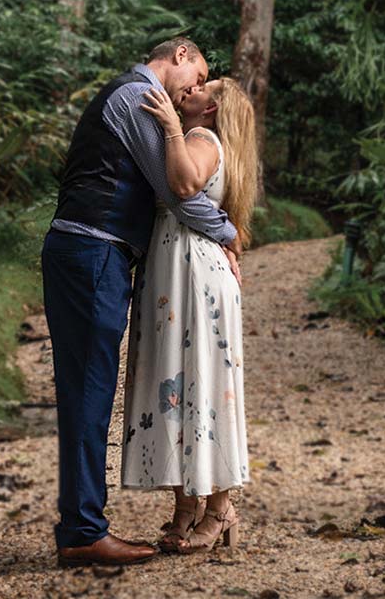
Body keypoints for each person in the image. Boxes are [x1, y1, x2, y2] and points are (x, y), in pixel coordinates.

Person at [41, 37, 242, 568]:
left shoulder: (144, 100)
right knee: (87, 391)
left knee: (88, 389)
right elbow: (177, 189)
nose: (195, 90)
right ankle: (83, 530)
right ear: (179, 53)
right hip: (92, 249)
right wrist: (228, 231)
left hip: (94, 251)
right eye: (196, 77)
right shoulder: (137, 97)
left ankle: (81, 524)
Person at [120, 77, 257, 554]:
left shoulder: (201, 138)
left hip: (192, 271)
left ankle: (219, 508)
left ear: (212, 107)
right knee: (177, 388)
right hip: (176, 269)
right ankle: (186, 505)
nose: (191, 89)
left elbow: (183, 184)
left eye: (204, 87)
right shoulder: (202, 137)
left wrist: (172, 129)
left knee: (201, 384)